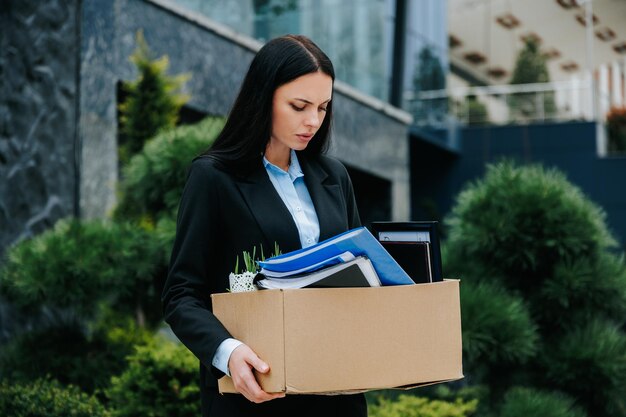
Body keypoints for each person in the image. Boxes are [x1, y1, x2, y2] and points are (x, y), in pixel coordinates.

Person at [162, 34, 366, 417]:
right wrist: (229, 352)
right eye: (299, 106)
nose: (313, 121)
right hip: (255, 395)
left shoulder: (334, 177)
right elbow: (181, 294)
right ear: (263, 97)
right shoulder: (214, 177)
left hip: (337, 395)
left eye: (323, 108)